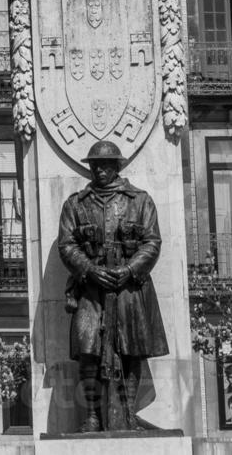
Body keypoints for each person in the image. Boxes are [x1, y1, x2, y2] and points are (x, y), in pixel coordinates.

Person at [58, 140, 170, 432]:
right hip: (91, 288)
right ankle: (93, 415)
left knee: (132, 349)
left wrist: (130, 269)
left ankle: (128, 412)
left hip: (129, 288)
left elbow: (152, 242)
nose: (100, 170)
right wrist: (89, 269)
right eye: (95, 165)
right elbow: (67, 245)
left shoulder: (140, 201)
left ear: (117, 166)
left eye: (106, 165)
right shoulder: (75, 204)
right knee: (87, 349)